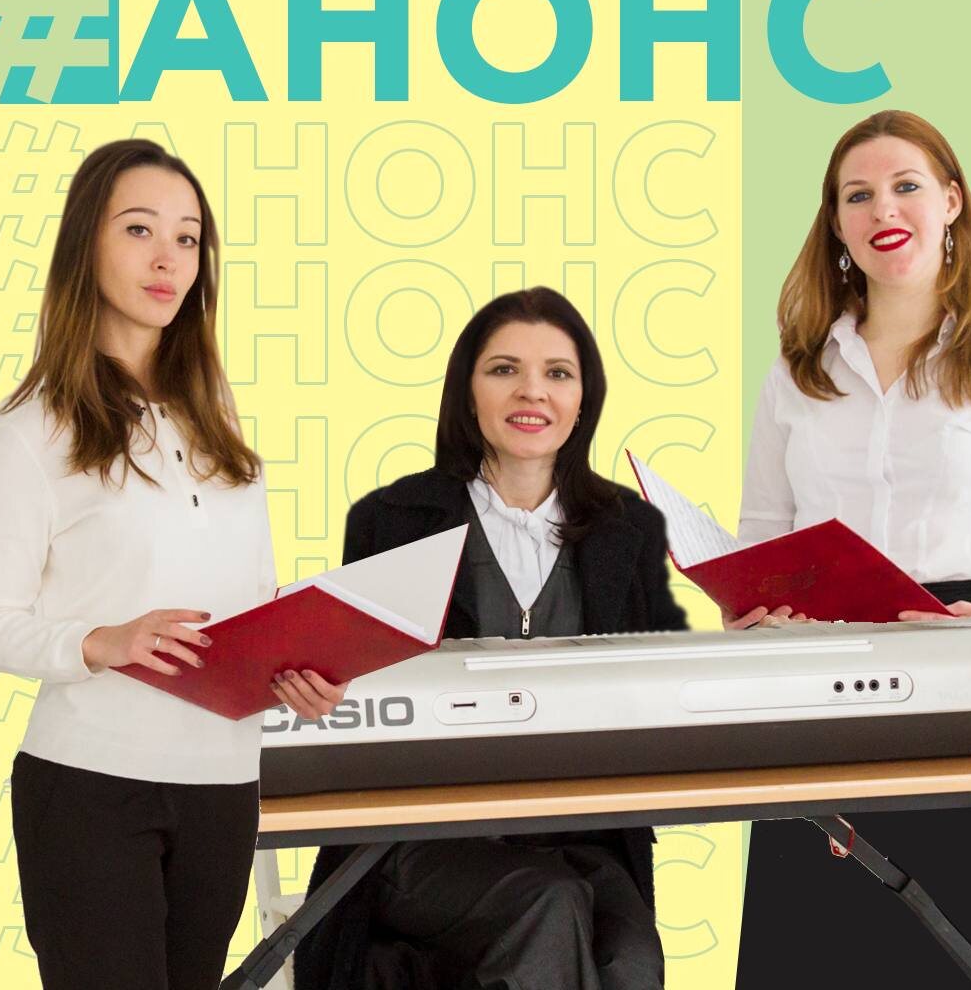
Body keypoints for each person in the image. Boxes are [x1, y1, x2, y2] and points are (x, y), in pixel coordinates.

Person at [0, 140, 346, 990]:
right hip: (92, 786)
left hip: (224, 784)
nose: (168, 258)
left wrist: (296, 665)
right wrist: (100, 641)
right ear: (86, 245)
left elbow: (247, 601)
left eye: (188, 238)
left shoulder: (217, 418)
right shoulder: (35, 428)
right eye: (140, 229)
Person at [732, 110, 971, 988]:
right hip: (816, 669)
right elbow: (761, 538)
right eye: (858, 194)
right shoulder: (795, 375)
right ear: (836, 226)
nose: (884, 208)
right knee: (819, 938)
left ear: (952, 201)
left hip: (968, 666)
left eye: (906, 185)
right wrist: (753, 611)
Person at [294, 287, 688, 990]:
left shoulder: (628, 528)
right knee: (546, 904)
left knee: (630, 959)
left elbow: (664, 678)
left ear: (583, 399)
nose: (532, 390)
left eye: (557, 373)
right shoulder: (393, 519)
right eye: (504, 369)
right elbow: (350, 683)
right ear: (467, 393)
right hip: (415, 840)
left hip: (582, 834)